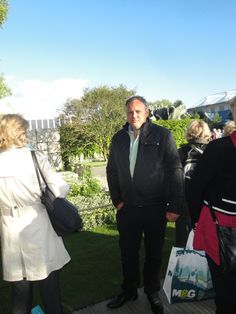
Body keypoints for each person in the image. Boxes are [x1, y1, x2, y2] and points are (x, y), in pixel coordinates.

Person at [106, 96, 184, 314]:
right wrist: (117, 200)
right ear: (126, 114)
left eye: (138, 111)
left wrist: (176, 205)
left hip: (155, 208)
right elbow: (111, 170)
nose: (134, 116)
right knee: (127, 253)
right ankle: (129, 290)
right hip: (127, 209)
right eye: (130, 112)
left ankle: (152, 291)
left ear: (147, 112)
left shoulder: (163, 135)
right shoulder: (118, 138)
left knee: (154, 254)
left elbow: (174, 170)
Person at [0, 114, 71, 314]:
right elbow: (59, 189)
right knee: (48, 284)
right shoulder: (34, 157)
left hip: (9, 227)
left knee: (20, 288)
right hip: (36, 224)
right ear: (20, 132)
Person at [187, 96, 236, 314]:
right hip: (220, 227)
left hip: (218, 227)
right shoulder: (218, 148)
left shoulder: (217, 148)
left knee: (225, 293)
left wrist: (196, 220)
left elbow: (195, 189)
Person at [176, 120, 211, 246]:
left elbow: (174, 179)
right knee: (206, 243)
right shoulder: (213, 151)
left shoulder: (181, 151)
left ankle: (182, 264)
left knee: (183, 243)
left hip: (183, 203)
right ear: (206, 132)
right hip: (207, 205)